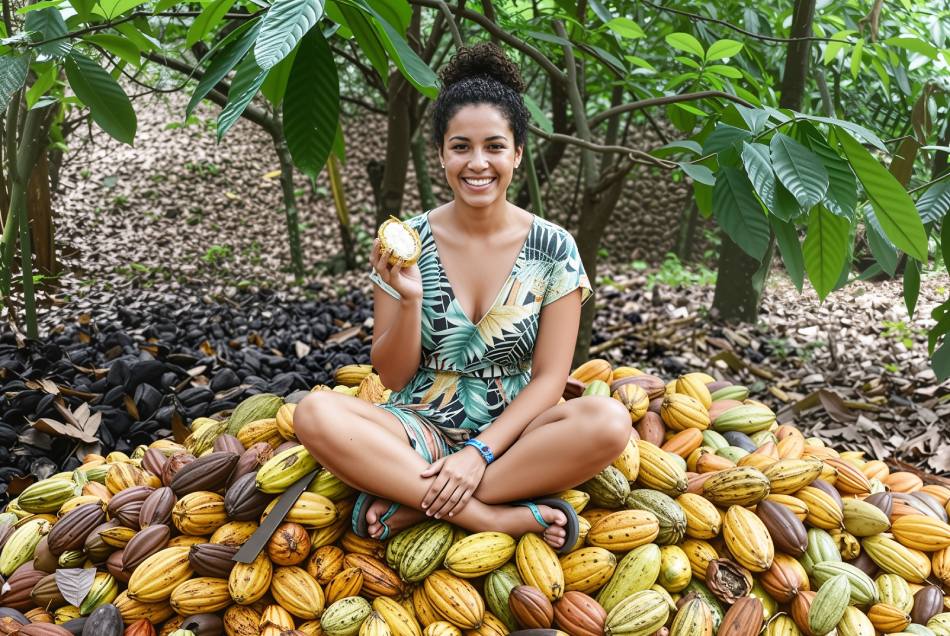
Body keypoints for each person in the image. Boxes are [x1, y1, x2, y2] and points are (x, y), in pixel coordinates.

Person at [294, 42, 631, 554]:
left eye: (494, 146)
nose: (478, 163)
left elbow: (549, 380)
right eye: (461, 147)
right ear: (441, 154)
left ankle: (414, 500)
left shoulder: (554, 248)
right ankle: (490, 516)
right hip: (416, 425)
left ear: (518, 153)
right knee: (315, 413)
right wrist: (409, 299)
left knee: (608, 421)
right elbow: (392, 377)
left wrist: (477, 453)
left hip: (513, 435)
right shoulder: (405, 243)